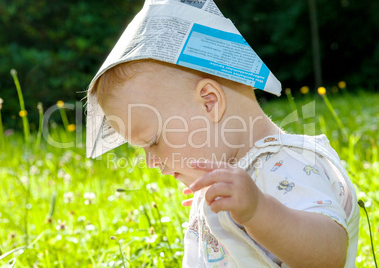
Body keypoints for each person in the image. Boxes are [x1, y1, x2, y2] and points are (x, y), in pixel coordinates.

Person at [89, 59, 359, 267]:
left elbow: (330, 255)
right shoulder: (226, 180)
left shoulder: (286, 162)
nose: (150, 162)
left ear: (209, 102)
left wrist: (258, 210)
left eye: (153, 141)